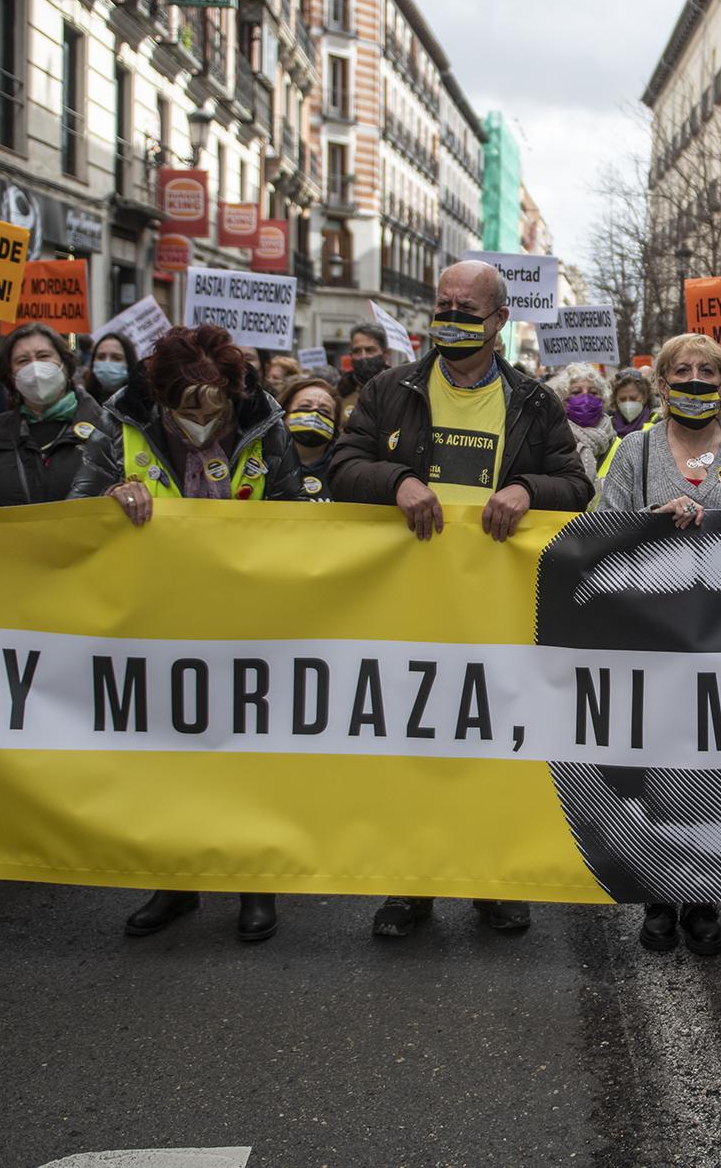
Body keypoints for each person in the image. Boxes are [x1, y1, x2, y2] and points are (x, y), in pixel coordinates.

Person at [329, 260, 592, 938]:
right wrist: (395, 483)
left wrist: (528, 490)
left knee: (494, 743)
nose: (450, 318)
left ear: (499, 321)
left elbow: (575, 484)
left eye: (466, 309)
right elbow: (342, 465)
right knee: (415, 741)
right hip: (411, 603)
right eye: (441, 306)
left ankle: (491, 880)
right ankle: (411, 884)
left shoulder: (534, 401)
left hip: (496, 610)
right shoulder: (390, 390)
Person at [69, 324, 308, 943]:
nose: (203, 421)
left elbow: (300, 513)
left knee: (251, 752)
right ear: (161, 397)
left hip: (248, 620)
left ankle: (255, 882)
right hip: (159, 619)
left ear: (234, 392)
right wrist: (112, 499)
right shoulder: (120, 426)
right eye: (187, 410)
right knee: (169, 753)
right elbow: (75, 508)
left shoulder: (265, 424)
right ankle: (174, 881)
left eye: (216, 407)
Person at [596, 331, 721, 957]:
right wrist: (649, 520)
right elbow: (602, 533)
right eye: (683, 370)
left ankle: (704, 899)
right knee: (657, 766)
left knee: (716, 768)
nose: (696, 380)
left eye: (709, 371)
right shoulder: (634, 451)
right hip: (655, 636)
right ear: (662, 383)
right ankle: (658, 895)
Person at [0, 323, 108, 506]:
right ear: (11, 377)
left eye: (43, 356)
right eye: (23, 360)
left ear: (65, 364)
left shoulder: (106, 428)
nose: (35, 366)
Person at [549, 362, 617, 491]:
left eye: (593, 393)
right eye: (576, 392)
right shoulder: (550, 443)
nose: (585, 399)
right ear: (561, 401)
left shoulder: (619, 445)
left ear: (603, 400)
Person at [278, 375, 339, 497]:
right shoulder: (265, 462)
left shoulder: (344, 467)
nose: (315, 412)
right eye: (305, 406)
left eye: (325, 411)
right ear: (284, 415)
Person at [338, 322, 392, 399]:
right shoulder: (340, 393)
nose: (363, 356)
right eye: (357, 351)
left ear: (385, 353)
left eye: (369, 350)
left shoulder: (399, 389)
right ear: (351, 355)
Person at [83, 331, 138, 404]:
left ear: (129, 362)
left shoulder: (143, 404)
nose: (107, 362)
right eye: (101, 357)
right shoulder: (82, 402)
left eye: (116, 358)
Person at [608, 367, 651, 438]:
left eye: (633, 398)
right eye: (622, 399)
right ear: (615, 400)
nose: (628, 404)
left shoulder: (658, 423)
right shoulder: (608, 427)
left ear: (645, 397)